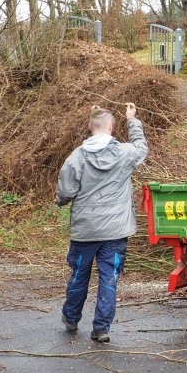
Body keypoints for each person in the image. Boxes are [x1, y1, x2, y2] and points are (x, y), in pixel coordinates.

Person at [56, 103, 149, 343]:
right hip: (115, 231)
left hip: (85, 230)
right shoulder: (124, 153)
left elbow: (65, 192)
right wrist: (132, 120)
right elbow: (141, 147)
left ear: (90, 127)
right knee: (109, 278)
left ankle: (71, 318)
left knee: (79, 274)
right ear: (111, 127)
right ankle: (101, 329)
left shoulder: (77, 156)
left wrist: (62, 200)